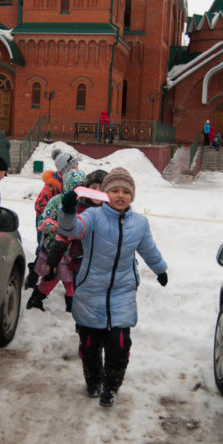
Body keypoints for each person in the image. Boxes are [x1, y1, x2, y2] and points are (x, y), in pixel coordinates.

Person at [57, 168, 168, 407]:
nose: (120, 195)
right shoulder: (93, 216)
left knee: (119, 345)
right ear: (106, 193)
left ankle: (111, 387)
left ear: (132, 195)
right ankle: (93, 380)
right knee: (89, 346)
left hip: (122, 292)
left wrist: (160, 269)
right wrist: (67, 211)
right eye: (114, 190)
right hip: (90, 292)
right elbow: (70, 229)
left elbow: (148, 249)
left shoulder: (140, 223)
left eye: (125, 191)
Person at [26, 169, 86, 312]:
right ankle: (36, 299)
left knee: (70, 279)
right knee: (52, 278)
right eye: (77, 187)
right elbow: (43, 220)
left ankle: (71, 305)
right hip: (56, 248)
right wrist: (52, 227)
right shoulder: (57, 201)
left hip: (74, 250)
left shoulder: (85, 204)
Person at [25, 150, 77, 289]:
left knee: (59, 249)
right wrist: (51, 215)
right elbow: (39, 204)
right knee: (44, 248)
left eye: (76, 167)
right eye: (72, 168)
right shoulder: (53, 184)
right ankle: (33, 277)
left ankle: (55, 278)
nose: (75, 170)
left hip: (61, 222)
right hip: (46, 222)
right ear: (63, 169)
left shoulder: (71, 182)